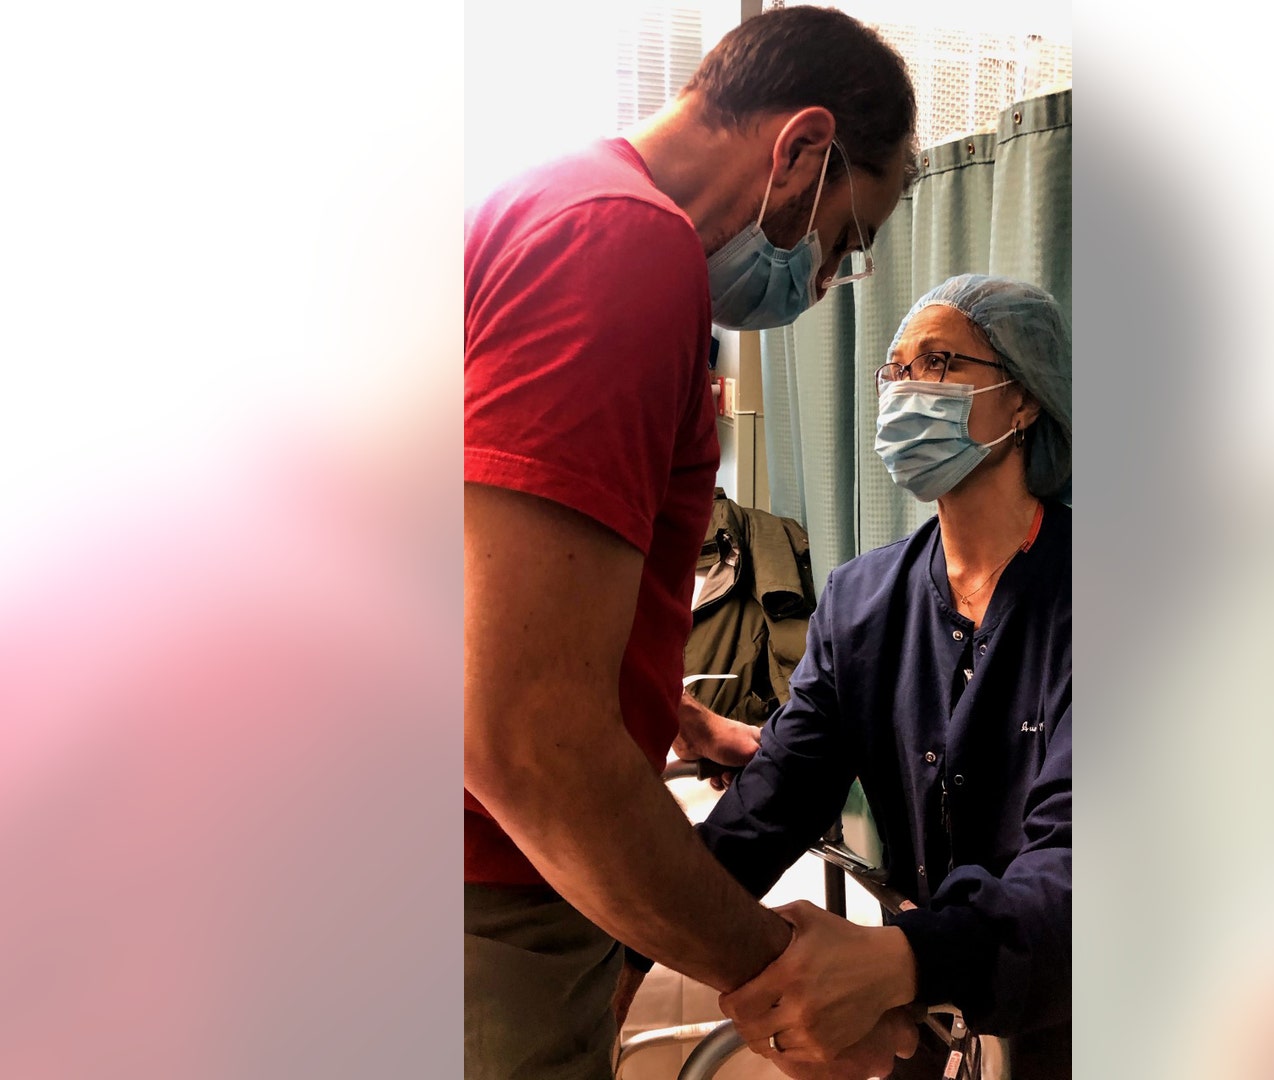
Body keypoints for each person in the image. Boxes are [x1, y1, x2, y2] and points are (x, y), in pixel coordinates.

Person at [462, 8, 926, 1079]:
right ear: (803, 150)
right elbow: (526, 737)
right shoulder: (620, 243)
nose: (820, 284)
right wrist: (776, 978)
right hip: (492, 878)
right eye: (845, 240)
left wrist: (659, 711)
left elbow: (485, 602)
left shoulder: (542, 204)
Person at [674, 275, 1075, 1076]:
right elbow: (773, 804)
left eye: (938, 363)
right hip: (927, 1016)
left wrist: (902, 959)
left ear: (1022, 401)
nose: (902, 389)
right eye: (895, 369)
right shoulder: (863, 599)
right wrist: (633, 935)